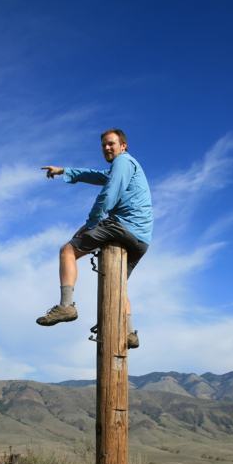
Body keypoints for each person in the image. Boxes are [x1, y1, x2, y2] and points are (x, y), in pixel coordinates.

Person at [36, 128, 153, 349]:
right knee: (118, 285)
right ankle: (130, 333)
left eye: (111, 143)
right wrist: (65, 171)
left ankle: (66, 306)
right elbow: (95, 175)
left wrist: (91, 223)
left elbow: (109, 193)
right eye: (104, 145)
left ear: (123, 146)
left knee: (67, 250)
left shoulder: (123, 162)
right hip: (142, 238)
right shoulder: (125, 166)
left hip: (123, 228)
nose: (107, 148)